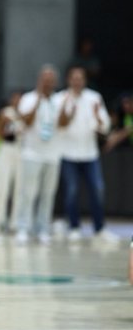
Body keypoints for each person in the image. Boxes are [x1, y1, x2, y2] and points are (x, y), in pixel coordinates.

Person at [56, 66, 113, 241]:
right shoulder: (60, 98)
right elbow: (57, 125)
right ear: (68, 80)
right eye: (74, 78)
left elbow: (105, 126)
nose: (77, 82)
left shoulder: (94, 98)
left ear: (85, 80)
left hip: (90, 154)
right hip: (68, 154)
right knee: (71, 192)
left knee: (97, 190)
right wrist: (67, 114)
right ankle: (74, 227)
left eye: (80, 78)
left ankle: (99, 229)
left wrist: (97, 118)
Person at [13, 66, 61, 244]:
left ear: (55, 82)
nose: (48, 83)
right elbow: (26, 121)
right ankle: (23, 228)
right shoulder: (28, 98)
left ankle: (43, 229)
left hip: (53, 154)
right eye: (45, 80)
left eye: (51, 80)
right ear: (39, 80)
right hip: (32, 153)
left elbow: (64, 123)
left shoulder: (59, 100)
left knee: (48, 194)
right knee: (28, 193)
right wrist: (39, 102)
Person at [0, 90, 24, 235]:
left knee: (18, 189)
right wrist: (7, 123)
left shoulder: (25, 114)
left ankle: (14, 223)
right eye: (15, 98)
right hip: (5, 150)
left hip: (20, 151)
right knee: (2, 188)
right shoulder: (5, 113)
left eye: (20, 99)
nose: (18, 101)